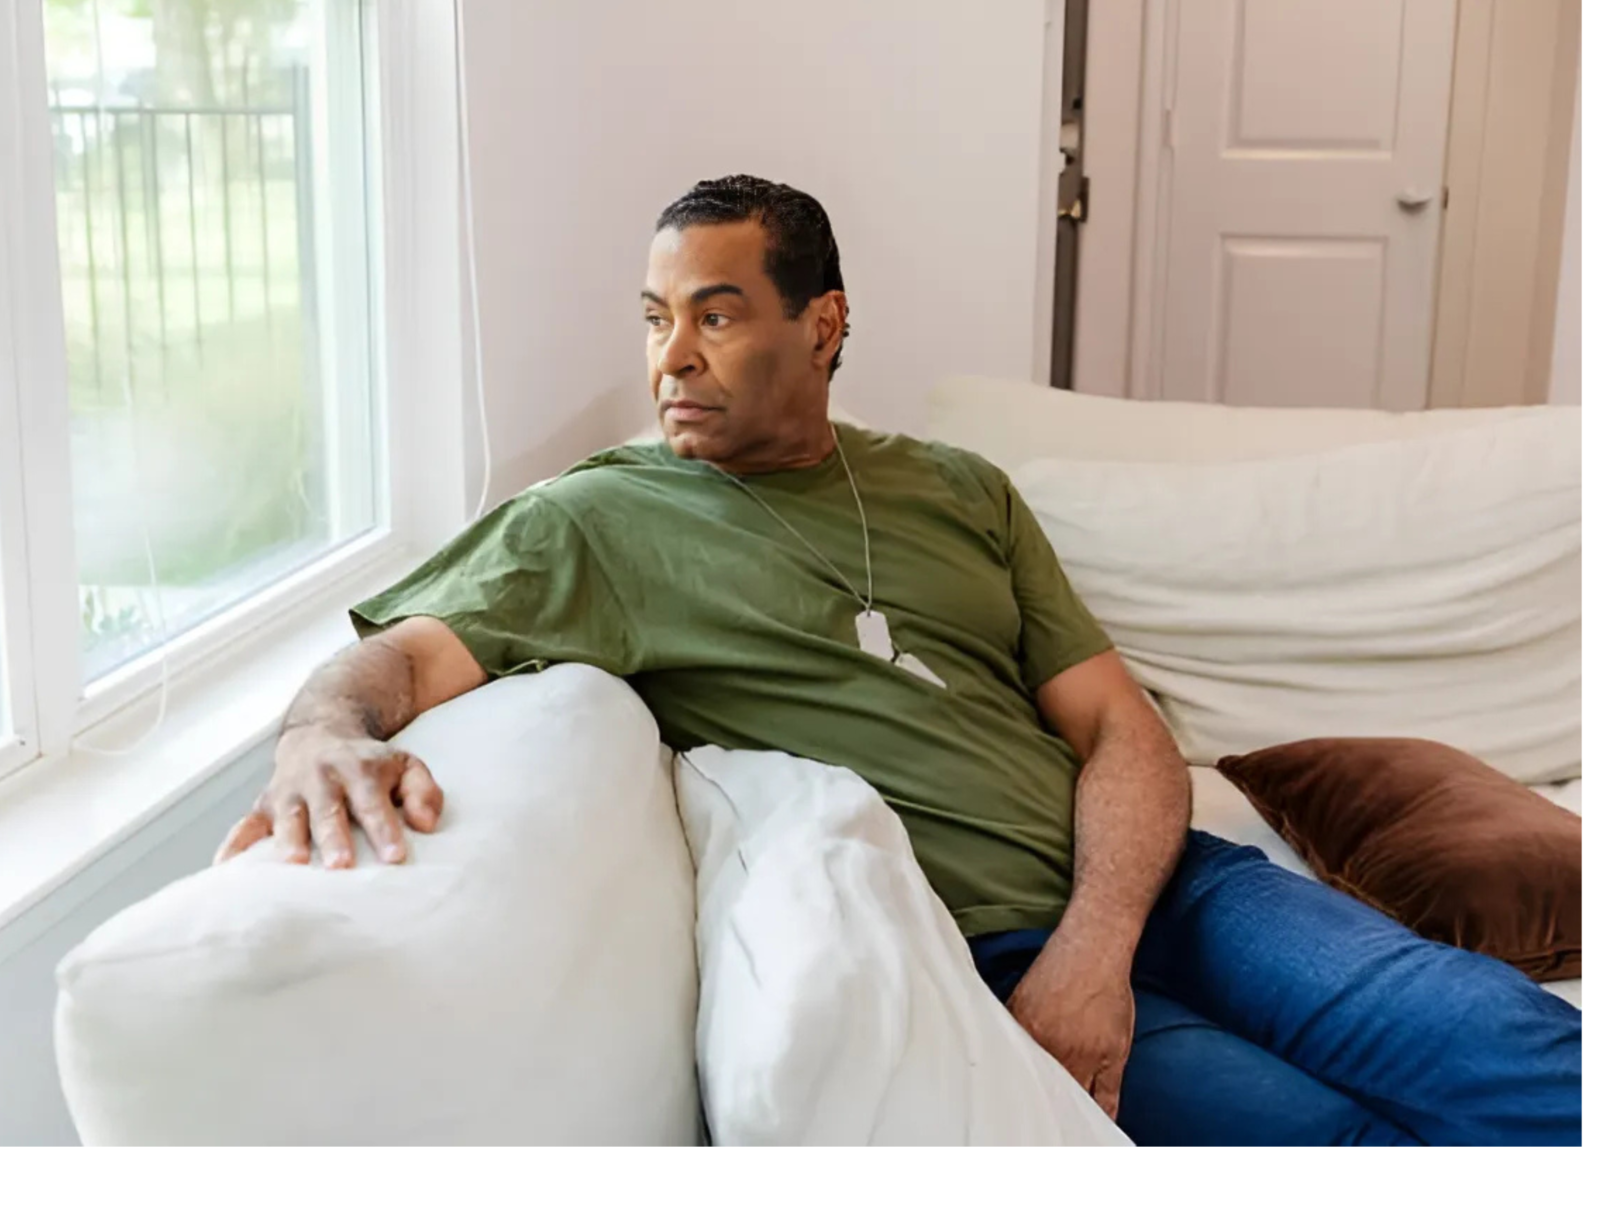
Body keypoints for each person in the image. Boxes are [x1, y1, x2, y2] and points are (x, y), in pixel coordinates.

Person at [216, 174, 1581, 1146]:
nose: (670, 359)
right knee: (1334, 1152)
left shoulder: (955, 490)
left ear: (822, 324)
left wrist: (1104, 941)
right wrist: (321, 735)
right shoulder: (600, 521)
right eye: (653, 317)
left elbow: (1119, 730)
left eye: (718, 313)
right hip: (982, 948)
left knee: (1515, 1049)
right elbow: (397, 661)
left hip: (1177, 888)